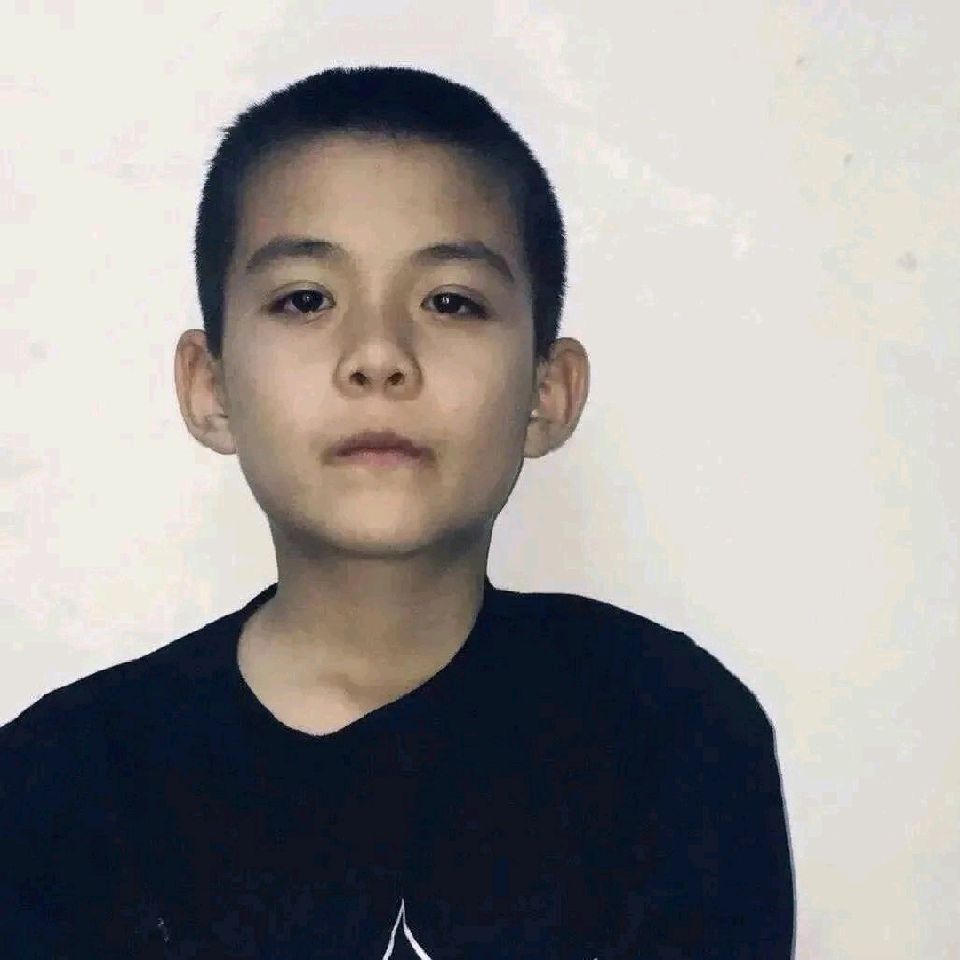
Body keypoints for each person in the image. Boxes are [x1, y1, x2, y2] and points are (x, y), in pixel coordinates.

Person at [0, 66, 794, 958]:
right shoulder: (58, 788)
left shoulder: (670, 733)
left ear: (548, 392)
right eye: (306, 299)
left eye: (450, 302)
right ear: (210, 386)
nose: (378, 355)